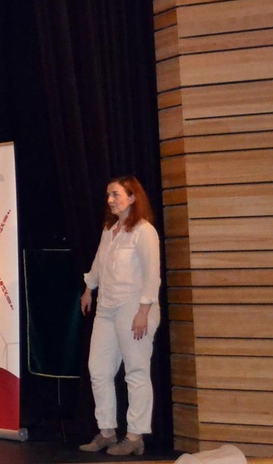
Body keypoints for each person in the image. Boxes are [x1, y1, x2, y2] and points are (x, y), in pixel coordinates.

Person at [79, 176, 161, 458]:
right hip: (106, 307)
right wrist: (89, 288)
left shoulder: (144, 231)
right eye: (108, 195)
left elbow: (152, 274)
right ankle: (107, 431)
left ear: (132, 197)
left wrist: (144, 311)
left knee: (136, 371)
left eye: (115, 194)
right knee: (98, 370)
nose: (110, 200)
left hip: (133, 307)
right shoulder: (109, 229)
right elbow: (99, 263)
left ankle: (135, 435)